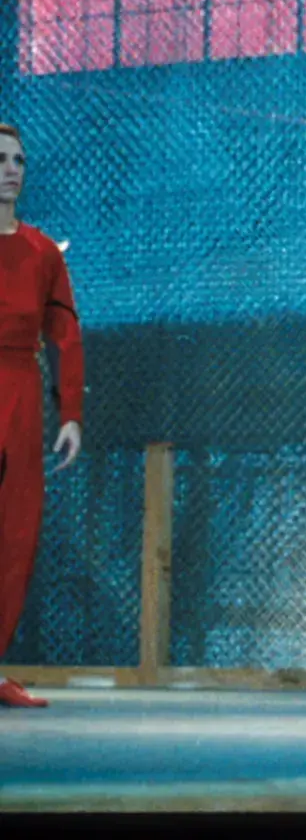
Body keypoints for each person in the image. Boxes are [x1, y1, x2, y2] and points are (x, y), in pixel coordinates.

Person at [0, 123, 84, 709]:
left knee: (16, 534)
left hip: (23, 393)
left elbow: (66, 333)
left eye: (19, 159)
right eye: (0, 159)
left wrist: (71, 412)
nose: (11, 168)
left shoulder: (41, 250)